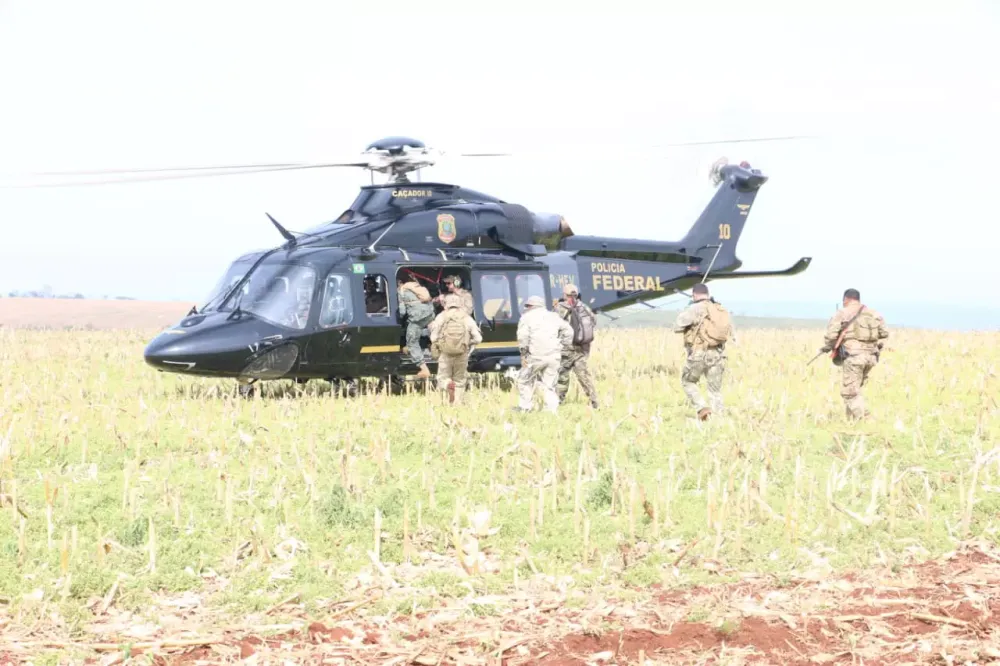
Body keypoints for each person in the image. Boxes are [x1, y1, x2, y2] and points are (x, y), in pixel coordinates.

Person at [819, 288, 889, 420]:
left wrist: (829, 347)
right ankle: (851, 422)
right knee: (855, 389)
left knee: (849, 393)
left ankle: (867, 420)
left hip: (854, 356)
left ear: (846, 299)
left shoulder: (842, 313)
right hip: (871, 357)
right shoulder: (873, 313)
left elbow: (831, 335)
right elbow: (884, 333)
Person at [672, 283, 733, 420]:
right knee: (715, 390)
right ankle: (719, 418)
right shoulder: (719, 309)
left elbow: (677, 327)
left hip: (698, 353)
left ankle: (701, 407)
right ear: (707, 294)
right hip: (717, 354)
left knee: (688, 381)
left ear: (694, 295)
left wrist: (687, 311)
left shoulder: (694, 308)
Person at [515, 295, 573, 413]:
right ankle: (551, 410)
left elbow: (523, 337)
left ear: (531, 306)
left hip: (535, 356)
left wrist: (524, 354)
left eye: (527, 305)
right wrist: (563, 345)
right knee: (549, 385)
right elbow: (569, 332)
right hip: (554, 356)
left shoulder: (526, 318)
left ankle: (525, 407)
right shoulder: (554, 316)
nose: (526, 308)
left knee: (523, 380)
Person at [429, 293, 482, 404]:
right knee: (460, 380)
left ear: (445, 304)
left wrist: (441, 342)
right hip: (462, 354)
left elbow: (433, 338)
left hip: (445, 354)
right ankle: (457, 404)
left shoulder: (441, 317)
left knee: (442, 378)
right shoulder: (466, 318)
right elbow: (478, 339)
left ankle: (448, 384)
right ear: (460, 304)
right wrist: (467, 342)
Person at [555, 283, 599, 408]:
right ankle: (594, 402)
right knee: (584, 376)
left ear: (564, 294)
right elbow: (593, 321)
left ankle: (558, 401)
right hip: (581, 349)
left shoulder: (560, 308)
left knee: (562, 376)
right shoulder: (583, 307)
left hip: (566, 349)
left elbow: (553, 326)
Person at [397, 276, 435, 379]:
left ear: (399, 283)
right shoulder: (415, 286)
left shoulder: (401, 290)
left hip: (417, 318)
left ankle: (424, 369)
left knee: (412, 342)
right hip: (430, 314)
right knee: (433, 335)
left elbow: (402, 312)